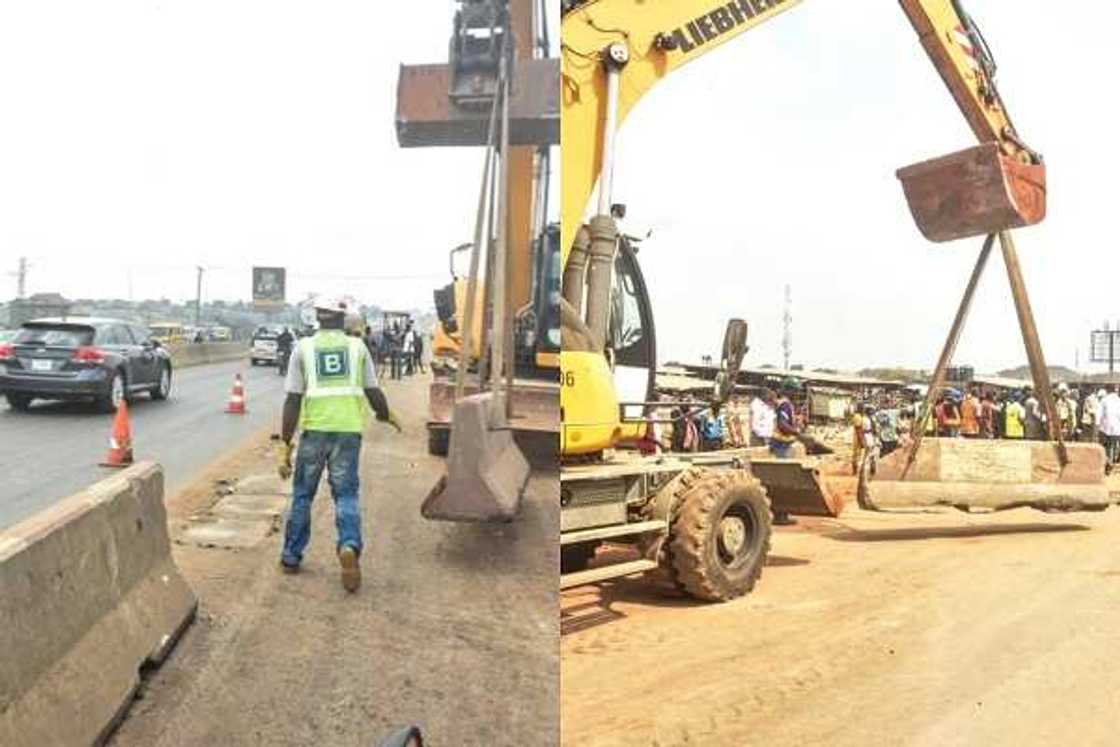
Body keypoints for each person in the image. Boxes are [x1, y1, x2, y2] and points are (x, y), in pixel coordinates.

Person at [275, 297, 402, 591]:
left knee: (303, 495)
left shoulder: (303, 348)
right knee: (346, 494)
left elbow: (293, 399)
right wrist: (385, 414)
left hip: (314, 431)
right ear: (343, 318)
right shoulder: (358, 347)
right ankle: (349, 545)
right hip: (347, 432)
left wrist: (285, 443)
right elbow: (373, 390)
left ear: (318, 317)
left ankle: (291, 556)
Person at [1098, 384, 1120, 469]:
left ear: (1107, 390)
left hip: (1106, 428)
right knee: (1114, 446)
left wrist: (1098, 426)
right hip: (1117, 428)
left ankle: (1108, 463)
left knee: (1106, 446)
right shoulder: (1118, 400)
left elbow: (1099, 414)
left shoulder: (1104, 400)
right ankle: (1111, 462)